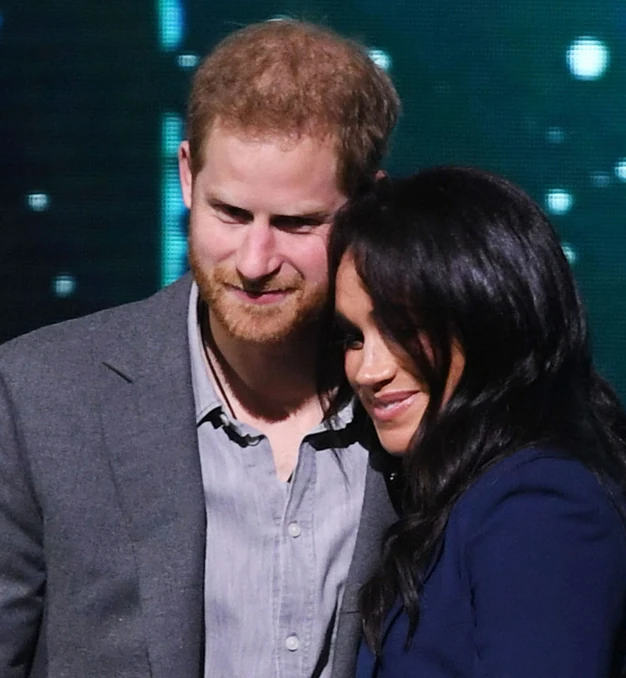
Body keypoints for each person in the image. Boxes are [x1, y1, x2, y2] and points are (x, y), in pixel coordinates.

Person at [0, 19, 400, 678]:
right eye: (230, 214)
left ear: (369, 204)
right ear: (187, 174)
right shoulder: (41, 395)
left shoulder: (421, 404)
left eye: (297, 223)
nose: (254, 261)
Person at [327, 166, 626, 677]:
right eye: (354, 338)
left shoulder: (538, 505)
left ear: (489, 315)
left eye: (402, 329)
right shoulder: (467, 492)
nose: (368, 370)